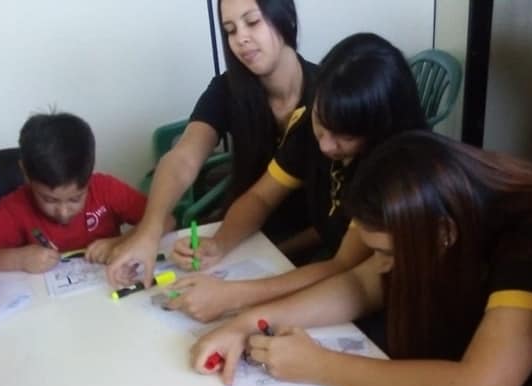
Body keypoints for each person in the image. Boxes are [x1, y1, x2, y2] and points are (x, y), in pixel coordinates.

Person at [191, 131, 532, 386]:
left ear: (444, 234)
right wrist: (247, 322)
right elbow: (361, 283)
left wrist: (319, 365)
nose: (380, 264)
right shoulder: (447, 209)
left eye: (387, 253)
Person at [157, 32, 428, 324]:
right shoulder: (307, 123)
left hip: (375, 304)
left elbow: (343, 267)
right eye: (321, 123)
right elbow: (260, 197)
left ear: (379, 129)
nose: (325, 146)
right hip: (329, 276)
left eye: (345, 137)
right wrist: (219, 243)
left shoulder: (393, 174)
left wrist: (233, 296)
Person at [105, 0, 317, 286]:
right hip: (240, 231)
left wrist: (269, 253)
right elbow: (184, 157)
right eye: (230, 30)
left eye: (252, 22)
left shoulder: (326, 98)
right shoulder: (227, 89)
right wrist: (149, 231)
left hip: (307, 245)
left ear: (285, 18)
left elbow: (338, 227)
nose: (241, 38)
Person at [0, 112, 150, 273]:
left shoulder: (105, 189)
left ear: (89, 174)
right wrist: (18, 259)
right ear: (25, 173)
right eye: (49, 200)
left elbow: (162, 219)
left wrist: (122, 242)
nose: (63, 212)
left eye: (75, 198)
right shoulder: (15, 207)